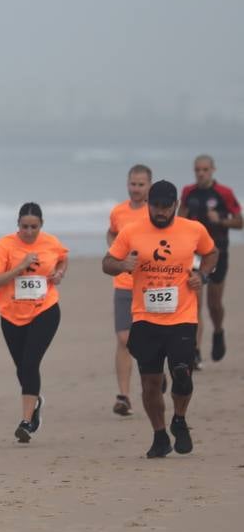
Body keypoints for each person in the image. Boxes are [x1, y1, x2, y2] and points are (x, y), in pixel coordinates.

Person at [104, 180, 218, 458]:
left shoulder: (193, 229)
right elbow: (107, 262)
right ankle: (159, 435)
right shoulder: (131, 231)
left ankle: (179, 419)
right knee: (150, 384)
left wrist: (201, 275)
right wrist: (122, 265)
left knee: (182, 373)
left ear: (176, 206)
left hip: (182, 316)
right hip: (145, 317)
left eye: (166, 207)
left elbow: (211, 253)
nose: (160, 212)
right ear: (148, 205)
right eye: (156, 206)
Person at [0, 203, 69, 443]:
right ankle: (36, 402)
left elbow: (63, 258)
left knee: (31, 364)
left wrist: (60, 274)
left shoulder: (51, 242)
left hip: (45, 309)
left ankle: (26, 422)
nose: (29, 232)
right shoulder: (5, 245)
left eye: (34, 227)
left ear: (41, 225)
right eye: (24, 227)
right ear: (17, 225)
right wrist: (20, 267)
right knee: (22, 368)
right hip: (11, 314)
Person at [179, 154, 241, 363]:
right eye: (197, 169)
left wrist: (221, 220)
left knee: (214, 304)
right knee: (194, 302)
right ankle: (194, 351)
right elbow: (180, 218)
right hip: (194, 253)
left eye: (205, 169)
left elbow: (240, 222)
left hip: (217, 252)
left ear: (213, 170)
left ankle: (218, 331)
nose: (201, 173)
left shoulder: (224, 193)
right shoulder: (188, 192)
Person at [107, 165, 152, 415]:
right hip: (124, 283)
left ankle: (155, 374)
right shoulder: (118, 212)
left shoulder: (155, 212)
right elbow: (111, 234)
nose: (135, 189)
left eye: (141, 184)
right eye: (132, 184)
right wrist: (116, 255)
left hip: (150, 284)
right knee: (124, 338)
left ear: (149, 186)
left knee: (150, 338)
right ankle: (123, 396)